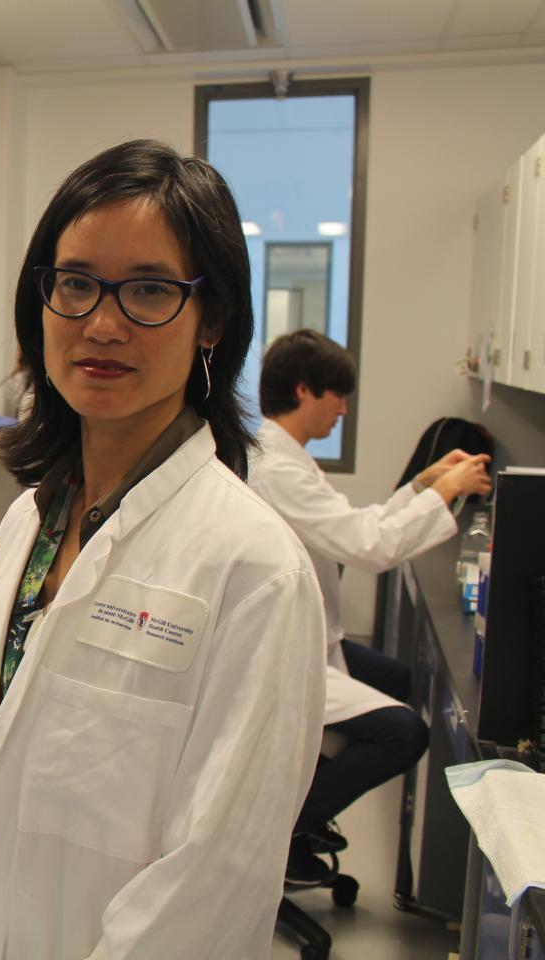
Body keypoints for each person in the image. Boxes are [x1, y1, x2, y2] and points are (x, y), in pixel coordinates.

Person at [0, 139, 327, 958]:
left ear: (215, 320)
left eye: (151, 290)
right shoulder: (27, 525)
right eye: (77, 284)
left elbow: (214, 880)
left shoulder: (253, 568)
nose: (102, 323)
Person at [248, 329, 491, 882]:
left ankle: (309, 787)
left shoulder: (287, 457)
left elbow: (354, 526)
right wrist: (447, 491)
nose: (344, 409)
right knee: (406, 732)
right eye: (338, 395)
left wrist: (424, 485)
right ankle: (282, 833)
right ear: (306, 390)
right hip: (285, 649)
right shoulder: (276, 469)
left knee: (396, 677)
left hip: (314, 634)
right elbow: (368, 547)